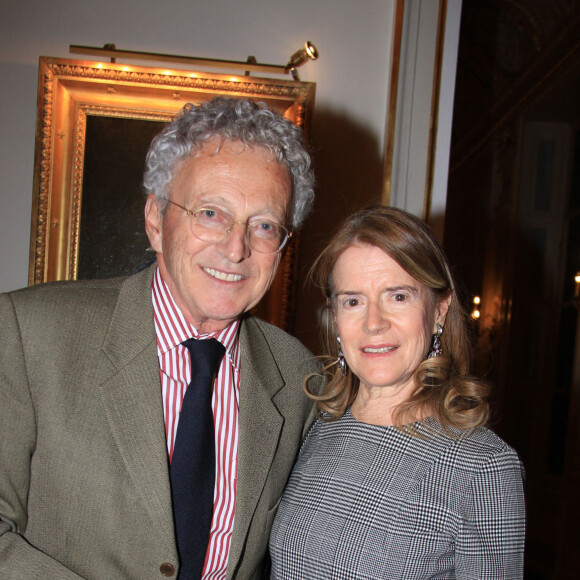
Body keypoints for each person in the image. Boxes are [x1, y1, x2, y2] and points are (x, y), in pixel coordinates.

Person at [0, 98, 323, 580]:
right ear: (156, 220)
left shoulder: (299, 378)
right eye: (211, 213)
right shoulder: (30, 334)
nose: (236, 248)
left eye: (263, 225)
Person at [269, 205, 526, 579]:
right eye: (353, 301)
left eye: (398, 296)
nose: (374, 323)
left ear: (439, 309)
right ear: (336, 317)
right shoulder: (314, 426)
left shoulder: (482, 468)